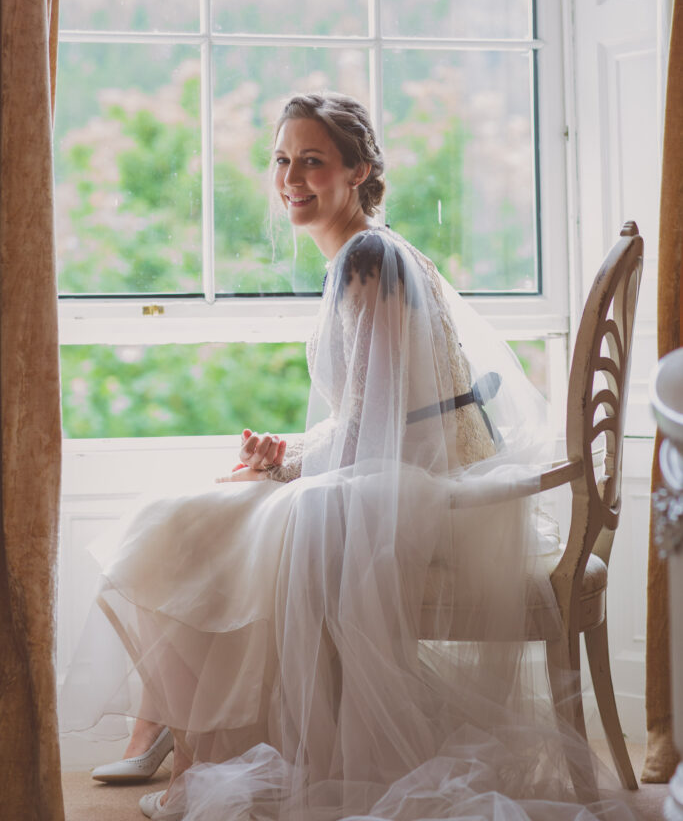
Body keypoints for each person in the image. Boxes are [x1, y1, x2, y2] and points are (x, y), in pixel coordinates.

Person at [60, 93, 639, 821]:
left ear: (358, 169)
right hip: (403, 475)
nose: (290, 178)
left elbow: (379, 431)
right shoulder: (374, 252)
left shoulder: (368, 258)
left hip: (406, 496)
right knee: (191, 516)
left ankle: (187, 739)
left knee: (171, 523)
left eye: (312, 161)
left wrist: (292, 466)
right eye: (281, 160)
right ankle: (177, 732)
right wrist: (289, 451)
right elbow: (388, 413)